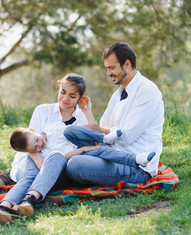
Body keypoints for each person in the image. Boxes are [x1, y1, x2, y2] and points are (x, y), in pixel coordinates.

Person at [65, 42, 165, 186]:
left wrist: (95, 129)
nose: (108, 73)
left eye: (112, 68)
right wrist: (90, 125)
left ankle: (84, 161)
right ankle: (86, 157)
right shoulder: (117, 95)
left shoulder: (147, 90)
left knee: (75, 164)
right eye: (107, 68)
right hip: (110, 153)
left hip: (135, 167)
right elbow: (103, 131)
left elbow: (126, 137)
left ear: (127, 64)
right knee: (70, 132)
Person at [0, 73, 89, 188]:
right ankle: (10, 177)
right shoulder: (42, 110)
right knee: (30, 171)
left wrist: (88, 113)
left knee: (63, 173)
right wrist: (38, 160)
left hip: (61, 162)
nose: (65, 98)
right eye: (63, 92)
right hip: (34, 158)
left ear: (80, 99)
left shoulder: (82, 118)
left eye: (72, 96)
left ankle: (8, 177)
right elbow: (29, 141)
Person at [0, 123, 101, 224]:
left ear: (34, 131)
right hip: (42, 173)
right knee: (29, 175)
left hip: (61, 172)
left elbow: (62, 155)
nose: (39, 146)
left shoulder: (56, 128)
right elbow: (31, 149)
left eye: (36, 140)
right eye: (34, 148)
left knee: (55, 155)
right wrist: (35, 156)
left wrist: (81, 149)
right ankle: (3, 207)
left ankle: (29, 200)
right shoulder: (34, 151)